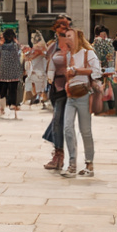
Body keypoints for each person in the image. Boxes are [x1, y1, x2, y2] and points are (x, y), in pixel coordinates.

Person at [53, 27, 102, 177]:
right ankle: (72, 164)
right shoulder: (67, 55)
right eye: (66, 36)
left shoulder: (88, 53)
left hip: (83, 95)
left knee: (85, 130)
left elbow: (97, 71)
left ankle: (89, 164)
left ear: (78, 38)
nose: (67, 39)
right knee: (67, 128)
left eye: (70, 36)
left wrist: (77, 71)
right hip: (70, 96)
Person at [39, 15, 73, 170]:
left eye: (66, 25)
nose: (64, 28)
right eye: (60, 25)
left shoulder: (74, 45)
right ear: (55, 28)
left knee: (60, 121)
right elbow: (48, 66)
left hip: (71, 88)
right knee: (58, 120)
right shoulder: (52, 47)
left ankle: (59, 155)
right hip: (56, 88)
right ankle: (58, 154)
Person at [0, 29, 25, 119]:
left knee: (3, 88)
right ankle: (12, 104)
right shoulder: (15, 46)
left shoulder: (2, 46)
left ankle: (1, 107)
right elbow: (22, 50)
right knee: (13, 88)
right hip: (14, 70)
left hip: (3, 70)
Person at [24, 33, 49, 106]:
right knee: (35, 86)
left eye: (32, 37)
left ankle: (37, 98)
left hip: (37, 71)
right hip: (37, 70)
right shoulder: (40, 48)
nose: (31, 39)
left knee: (35, 85)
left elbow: (29, 57)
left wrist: (26, 54)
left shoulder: (39, 48)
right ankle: (38, 98)